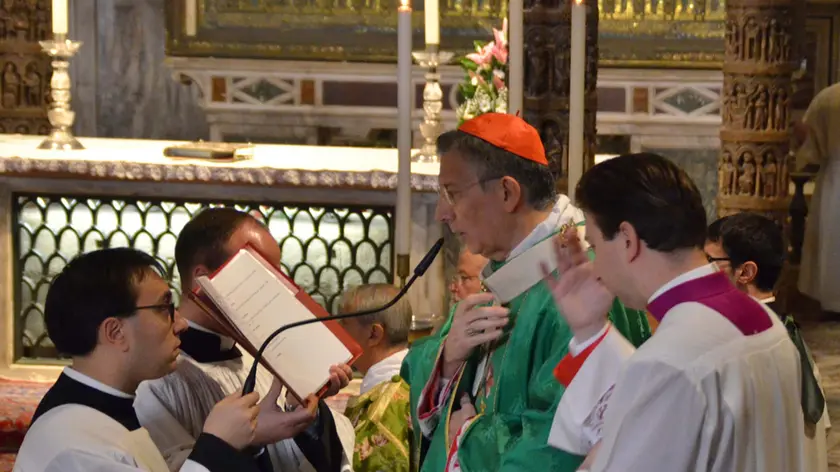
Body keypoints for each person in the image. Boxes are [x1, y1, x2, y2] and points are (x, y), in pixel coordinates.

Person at [400, 113, 652, 472]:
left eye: (451, 194)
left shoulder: (582, 281)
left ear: (507, 192)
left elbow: (573, 438)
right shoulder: (505, 276)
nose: (443, 214)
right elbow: (415, 370)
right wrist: (448, 357)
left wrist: (467, 440)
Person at [546, 152, 806, 471]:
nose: (596, 267)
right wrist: (589, 330)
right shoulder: (765, 320)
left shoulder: (668, 361)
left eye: (596, 246)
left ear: (628, 239)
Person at [134, 208, 356, 472]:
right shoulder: (153, 381)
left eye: (276, 276)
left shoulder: (265, 361)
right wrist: (250, 440)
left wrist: (305, 408)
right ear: (201, 280)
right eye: (256, 273)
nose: (273, 290)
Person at [14, 248, 263, 472]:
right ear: (115, 332)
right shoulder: (74, 444)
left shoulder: (105, 408)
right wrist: (217, 445)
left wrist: (254, 433)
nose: (180, 323)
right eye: (164, 309)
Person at [706, 212, 829, 472]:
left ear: (746, 272)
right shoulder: (782, 334)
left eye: (710, 261)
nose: (700, 273)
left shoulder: (745, 345)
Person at [338, 284, 413, 472]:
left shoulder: (384, 410)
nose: (338, 333)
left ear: (374, 334)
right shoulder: (413, 377)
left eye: (344, 325)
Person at [796, 82, 840, 317]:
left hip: (836, 178)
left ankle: (834, 304)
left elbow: (808, 140)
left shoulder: (828, 97)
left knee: (833, 241)